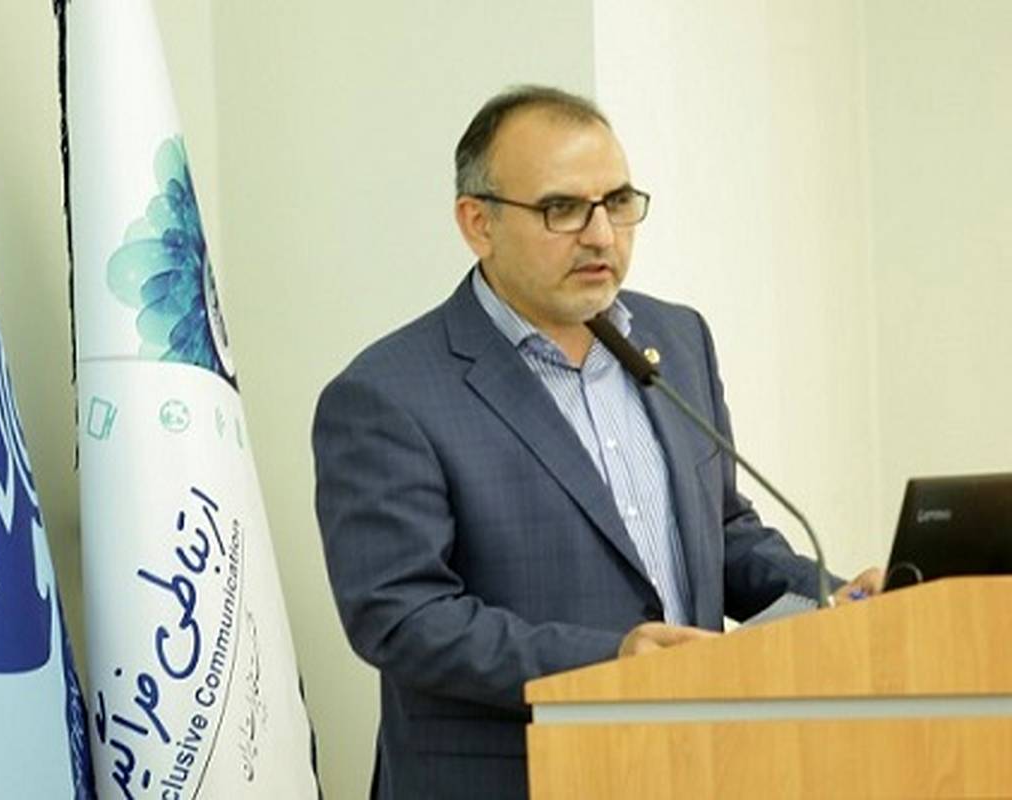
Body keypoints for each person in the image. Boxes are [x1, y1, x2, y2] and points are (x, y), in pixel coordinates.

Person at [312, 85, 882, 800]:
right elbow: (400, 617)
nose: (602, 235)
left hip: (691, 767)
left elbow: (722, 533)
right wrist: (611, 661)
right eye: (562, 208)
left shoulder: (676, 338)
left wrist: (832, 601)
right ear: (478, 223)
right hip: (512, 778)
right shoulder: (388, 393)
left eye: (617, 201)